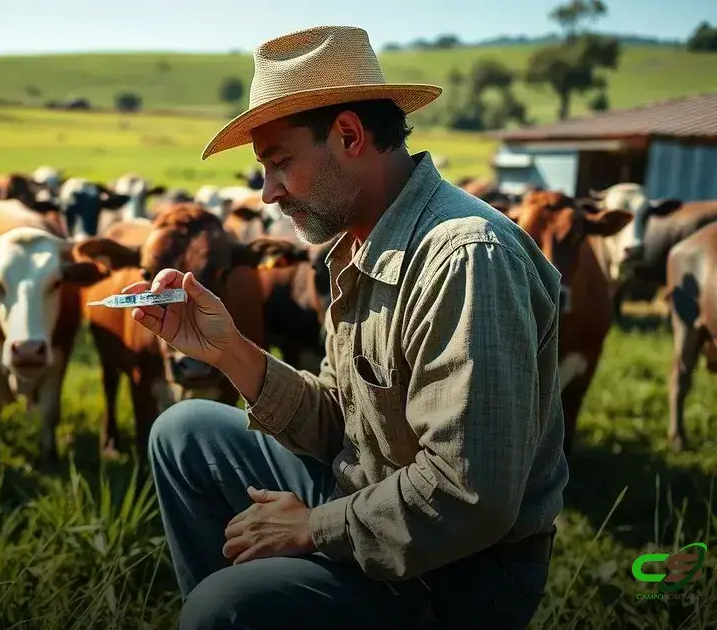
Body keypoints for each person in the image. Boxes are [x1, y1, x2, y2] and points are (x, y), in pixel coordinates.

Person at [121, 25, 570, 629]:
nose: (267, 193)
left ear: (350, 136)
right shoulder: (362, 244)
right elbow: (345, 423)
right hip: (367, 493)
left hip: (459, 574)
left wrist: (312, 527)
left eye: (280, 163)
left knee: (221, 609)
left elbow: (471, 496)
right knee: (183, 432)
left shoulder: (465, 259)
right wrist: (227, 351)